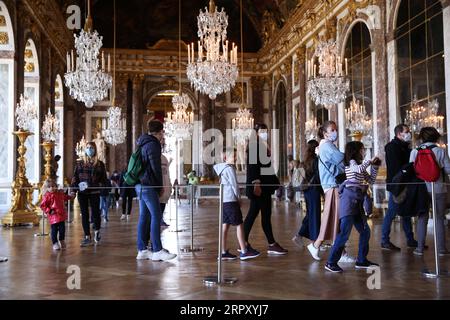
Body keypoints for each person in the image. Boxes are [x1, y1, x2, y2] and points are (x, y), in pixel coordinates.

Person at [325, 141, 380, 273]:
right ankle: (331, 262)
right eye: (362, 149)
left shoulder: (360, 166)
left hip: (358, 203)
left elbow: (370, 180)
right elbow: (358, 169)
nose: (364, 151)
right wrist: (369, 161)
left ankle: (361, 260)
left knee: (365, 231)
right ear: (355, 151)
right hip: (349, 203)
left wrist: (375, 167)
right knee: (344, 233)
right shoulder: (351, 164)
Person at [307, 121, 354, 263]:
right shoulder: (327, 146)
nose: (335, 132)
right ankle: (324, 247)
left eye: (336, 129)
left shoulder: (325, 145)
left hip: (332, 185)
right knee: (335, 218)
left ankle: (326, 247)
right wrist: (353, 154)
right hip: (333, 185)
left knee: (334, 219)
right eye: (332, 130)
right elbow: (341, 159)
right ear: (325, 133)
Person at [135, 120, 176, 261]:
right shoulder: (153, 144)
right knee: (156, 216)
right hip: (149, 184)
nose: (162, 136)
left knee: (144, 216)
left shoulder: (142, 142)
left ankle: (142, 250)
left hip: (140, 184)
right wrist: (160, 186)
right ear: (160, 132)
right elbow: (155, 167)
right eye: (162, 133)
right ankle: (157, 250)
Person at [244, 123, 288, 255]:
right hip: (260, 187)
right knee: (258, 215)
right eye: (262, 131)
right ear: (256, 133)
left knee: (258, 215)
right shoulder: (254, 146)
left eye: (266, 131)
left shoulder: (260, 145)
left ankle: (247, 243)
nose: (265, 133)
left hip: (264, 187)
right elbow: (253, 167)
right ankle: (269, 244)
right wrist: (256, 184)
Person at [214, 148, 260, 261]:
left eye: (235, 156)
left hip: (224, 201)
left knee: (225, 225)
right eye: (233, 156)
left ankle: (223, 251)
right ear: (226, 157)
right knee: (239, 225)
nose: (235, 158)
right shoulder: (229, 169)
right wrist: (239, 199)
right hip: (231, 200)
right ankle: (244, 251)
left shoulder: (222, 169)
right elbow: (235, 185)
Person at [409, 127, 450, 256]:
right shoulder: (441, 151)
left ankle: (419, 248)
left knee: (422, 217)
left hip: (421, 190)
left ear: (421, 137)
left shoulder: (415, 152)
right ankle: (442, 249)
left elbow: (411, 171)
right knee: (439, 218)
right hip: (439, 188)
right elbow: (448, 170)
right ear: (436, 137)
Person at [382, 124, 417, 250]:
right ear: (399, 134)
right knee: (392, 212)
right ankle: (384, 240)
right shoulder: (392, 147)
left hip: (405, 182)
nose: (408, 134)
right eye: (406, 132)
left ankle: (410, 239)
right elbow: (397, 167)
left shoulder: (405, 146)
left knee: (406, 212)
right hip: (397, 184)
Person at [71, 142, 108, 247]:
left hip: (94, 192)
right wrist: (73, 189)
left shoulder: (100, 164)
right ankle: (87, 236)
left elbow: (104, 181)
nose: (89, 149)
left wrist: (93, 185)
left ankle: (97, 231)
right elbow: (75, 178)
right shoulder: (80, 163)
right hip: (82, 192)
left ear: (95, 149)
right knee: (84, 214)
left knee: (96, 213)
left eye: (91, 148)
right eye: (87, 148)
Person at [292, 140, 322, 248]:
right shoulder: (316, 160)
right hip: (314, 190)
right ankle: (315, 241)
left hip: (307, 190)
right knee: (314, 215)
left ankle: (299, 235)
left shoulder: (305, 160)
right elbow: (319, 177)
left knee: (310, 214)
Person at [40, 179, 75, 250]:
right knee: (54, 230)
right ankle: (55, 243)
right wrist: (49, 211)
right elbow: (43, 205)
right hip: (53, 216)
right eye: (49, 187)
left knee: (62, 230)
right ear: (46, 188)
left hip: (61, 215)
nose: (51, 188)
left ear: (56, 186)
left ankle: (62, 240)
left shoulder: (59, 193)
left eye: (53, 186)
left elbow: (65, 197)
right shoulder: (47, 196)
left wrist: (71, 196)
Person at [160, 137, 171, 227]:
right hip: (158, 186)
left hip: (165, 185)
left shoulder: (164, 158)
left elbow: (167, 173)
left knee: (163, 204)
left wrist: (169, 185)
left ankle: (161, 219)